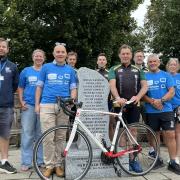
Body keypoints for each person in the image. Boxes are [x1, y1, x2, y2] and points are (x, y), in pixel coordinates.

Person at [35, 44, 77, 178]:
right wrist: (37, 105)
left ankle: (58, 165)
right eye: (57, 52)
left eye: (62, 52)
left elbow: (73, 89)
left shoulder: (70, 70)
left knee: (60, 137)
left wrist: (71, 102)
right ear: (53, 54)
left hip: (63, 106)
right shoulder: (46, 67)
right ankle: (49, 166)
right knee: (48, 137)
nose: (60, 54)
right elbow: (39, 87)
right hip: (47, 104)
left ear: (65, 54)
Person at [108, 44, 148, 172]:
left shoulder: (138, 69)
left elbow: (145, 86)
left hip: (133, 104)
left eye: (127, 54)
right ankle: (122, 159)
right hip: (118, 104)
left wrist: (138, 96)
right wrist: (118, 98)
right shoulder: (114, 68)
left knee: (133, 131)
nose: (125, 56)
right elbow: (112, 86)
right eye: (123, 53)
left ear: (131, 55)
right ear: (119, 55)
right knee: (120, 134)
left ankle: (132, 160)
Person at [143, 54, 180, 174]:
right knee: (154, 135)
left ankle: (173, 162)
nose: (152, 63)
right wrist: (152, 102)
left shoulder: (166, 75)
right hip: (151, 110)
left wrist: (161, 100)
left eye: (154, 61)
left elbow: (172, 91)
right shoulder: (144, 76)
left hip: (166, 109)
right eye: (150, 62)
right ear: (147, 64)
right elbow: (142, 94)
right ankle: (157, 159)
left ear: (159, 62)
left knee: (170, 134)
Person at [18, 49, 45, 171]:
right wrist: (21, 101)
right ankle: (26, 162)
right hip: (28, 105)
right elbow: (20, 87)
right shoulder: (26, 71)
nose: (38, 58)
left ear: (44, 58)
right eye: (36, 56)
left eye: (40, 56)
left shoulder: (46, 70)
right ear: (32, 57)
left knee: (41, 134)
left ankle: (40, 160)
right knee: (28, 134)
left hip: (43, 106)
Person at [0, 38, 19, 174]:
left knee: (5, 135)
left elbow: (15, 86)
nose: (1, 48)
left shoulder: (12, 66)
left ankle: (4, 161)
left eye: (3, 47)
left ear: (7, 49)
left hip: (6, 106)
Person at [166, 58, 180, 164]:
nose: (173, 66)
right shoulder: (164, 76)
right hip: (167, 107)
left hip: (178, 107)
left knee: (177, 133)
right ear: (167, 66)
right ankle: (171, 154)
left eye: (175, 64)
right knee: (168, 134)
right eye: (171, 64)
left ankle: (176, 156)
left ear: (177, 66)